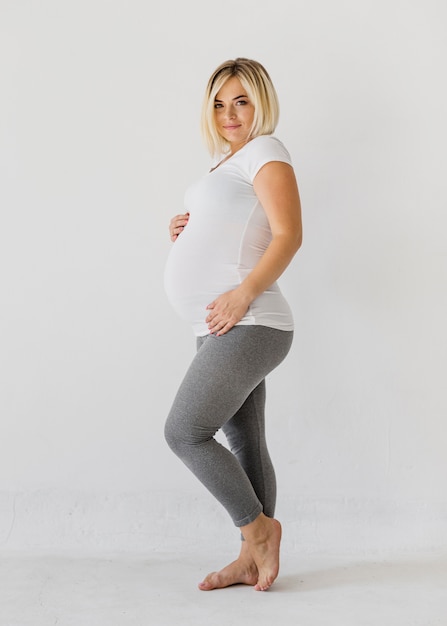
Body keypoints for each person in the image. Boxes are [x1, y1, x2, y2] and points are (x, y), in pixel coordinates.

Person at [163, 57, 302, 592]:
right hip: (220, 324)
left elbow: (289, 232)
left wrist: (244, 294)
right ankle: (252, 556)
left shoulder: (267, 151)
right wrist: (185, 231)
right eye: (219, 103)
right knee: (243, 438)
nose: (229, 113)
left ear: (260, 102)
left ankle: (258, 531)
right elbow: (238, 227)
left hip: (252, 320)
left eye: (241, 100)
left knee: (185, 431)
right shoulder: (226, 164)